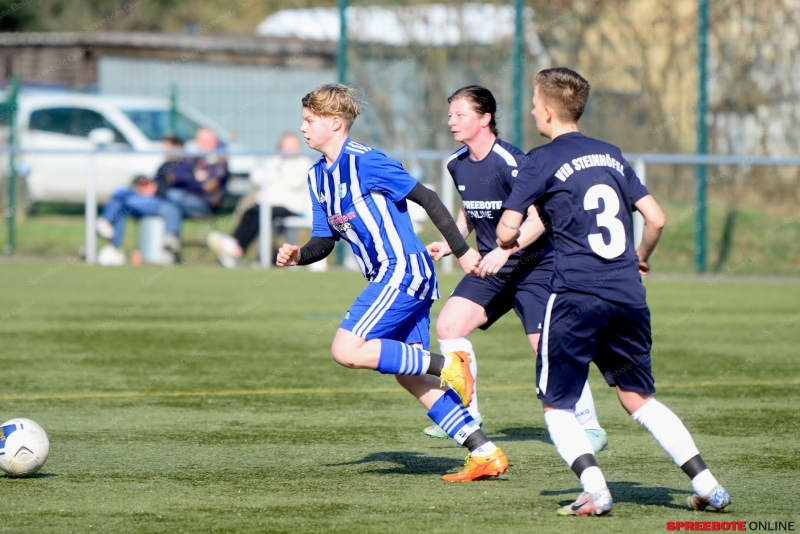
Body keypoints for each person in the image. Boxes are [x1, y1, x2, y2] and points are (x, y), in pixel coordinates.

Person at [497, 68, 730, 515]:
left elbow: (509, 229)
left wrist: (507, 239)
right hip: (627, 295)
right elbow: (657, 218)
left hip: (575, 297)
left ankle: (595, 489)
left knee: (557, 405)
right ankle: (709, 485)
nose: (530, 110)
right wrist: (641, 256)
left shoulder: (539, 160)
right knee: (638, 399)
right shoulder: (611, 154)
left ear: (546, 112)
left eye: (532, 103)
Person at [277, 83, 507, 482]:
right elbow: (323, 240)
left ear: (335, 122)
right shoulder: (318, 177)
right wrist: (299, 255)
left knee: (346, 349)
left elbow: (429, 197)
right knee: (412, 376)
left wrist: (463, 251)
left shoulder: (367, 162)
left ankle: (452, 363)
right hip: (392, 275)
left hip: (401, 269)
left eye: (309, 120)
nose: (303, 128)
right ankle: (484, 452)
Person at [421, 85, 608, 454]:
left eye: (460, 115)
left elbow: (539, 216)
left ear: (485, 118)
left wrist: (505, 252)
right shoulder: (456, 163)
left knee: (546, 346)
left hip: (536, 265)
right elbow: (469, 213)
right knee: (448, 326)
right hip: (495, 266)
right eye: (450, 115)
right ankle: (465, 417)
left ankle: (589, 424)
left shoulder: (513, 161)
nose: (451, 121)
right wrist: (451, 243)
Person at [207, 133, 313, 268]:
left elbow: (296, 183)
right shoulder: (273, 160)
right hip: (268, 205)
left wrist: (282, 170)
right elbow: (257, 178)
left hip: (292, 207)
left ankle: (235, 248)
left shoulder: (303, 163)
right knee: (251, 211)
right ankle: (235, 246)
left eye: (292, 147)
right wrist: (276, 171)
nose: (289, 150)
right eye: (286, 146)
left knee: (263, 212)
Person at [96, 175, 182, 265]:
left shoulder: (176, 172)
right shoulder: (163, 169)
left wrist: (153, 188)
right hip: (144, 199)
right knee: (121, 207)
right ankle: (115, 247)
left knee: (120, 196)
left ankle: (106, 222)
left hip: (157, 201)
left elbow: (160, 189)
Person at [163, 128, 228, 233]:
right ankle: (171, 240)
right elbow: (174, 177)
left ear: (215, 142)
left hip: (204, 204)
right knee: (171, 204)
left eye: (207, 142)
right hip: (184, 199)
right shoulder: (193, 156)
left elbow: (208, 187)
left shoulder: (220, 160)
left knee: (172, 196)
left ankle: (170, 237)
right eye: (200, 141)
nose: (203, 145)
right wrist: (196, 180)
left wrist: (189, 180)